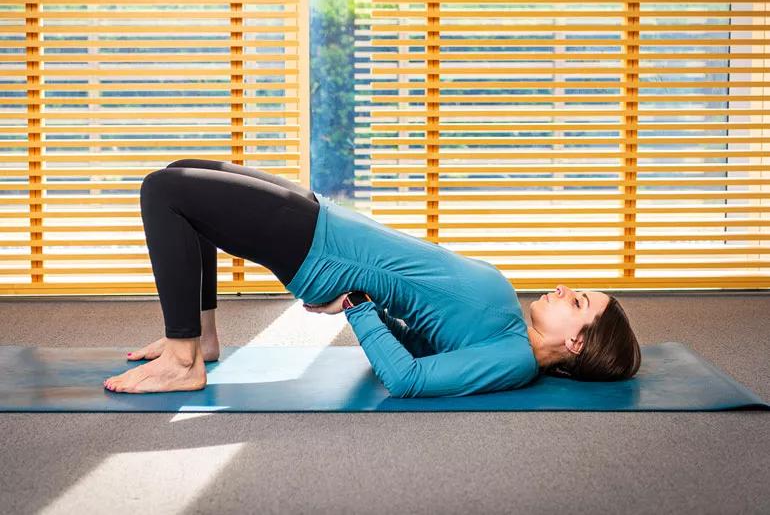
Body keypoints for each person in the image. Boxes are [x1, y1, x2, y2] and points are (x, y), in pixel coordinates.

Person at [104, 159, 641, 396]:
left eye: (580, 302)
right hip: (326, 223)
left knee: (162, 191)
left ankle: (183, 359)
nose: (568, 289)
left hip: (320, 249)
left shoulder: (514, 359)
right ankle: (205, 339)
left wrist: (358, 304)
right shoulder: (505, 328)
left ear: (575, 342)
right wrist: (376, 309)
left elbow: (409, 380)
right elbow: (422, 335)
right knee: (184, 171)